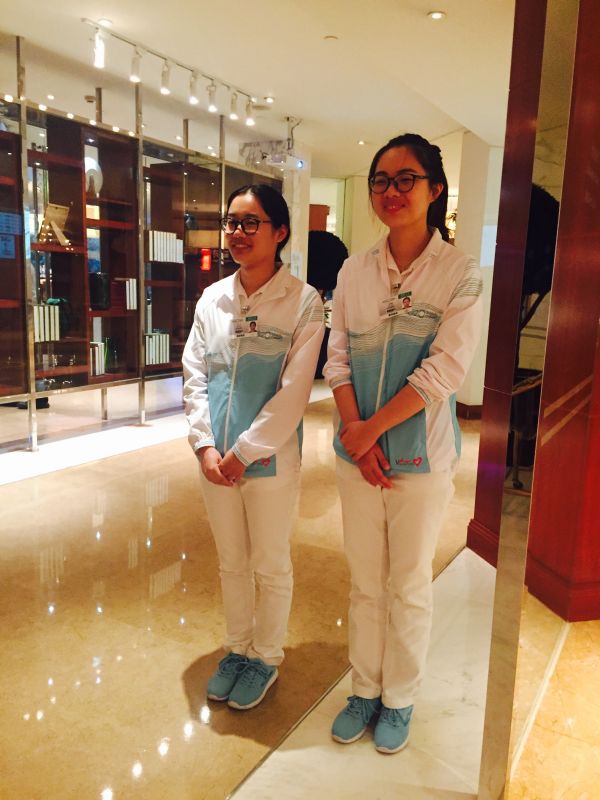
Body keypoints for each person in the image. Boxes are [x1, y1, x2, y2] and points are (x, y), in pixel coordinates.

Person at [323, 133, 482, 753]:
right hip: (357, 456)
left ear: (434, 189)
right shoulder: (353, 271)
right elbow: (337, 357)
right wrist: (357, 438)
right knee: (366, 581)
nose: (392, 191)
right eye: (381, 181)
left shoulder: (459, 272)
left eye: (406, 179)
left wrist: (372, 429)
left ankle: (400, 697)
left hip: (422, 458)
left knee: (409, 583)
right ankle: (364, 687)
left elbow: (446, 370)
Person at [183, 184, 324, 710]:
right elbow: (194, 375)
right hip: (214, 462)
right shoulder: (212, 298)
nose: (238, 233)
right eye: (232, 222)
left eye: (251, 223)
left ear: (279, 231)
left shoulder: (303, 302)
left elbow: (295, 391)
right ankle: (237, 648)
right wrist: (204, 445)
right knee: (231, 562)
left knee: (269, 561)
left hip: (269, 460)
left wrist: (245, 450)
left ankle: (265, 656)